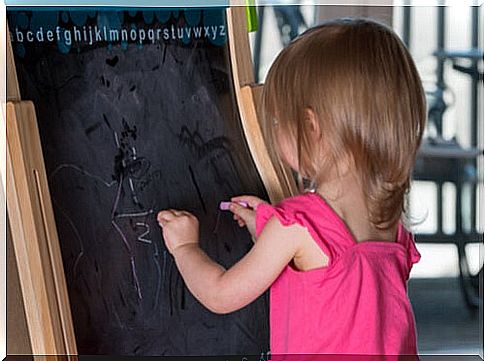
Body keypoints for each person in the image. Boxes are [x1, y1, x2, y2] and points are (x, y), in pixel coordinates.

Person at [158, 18, 425, 357]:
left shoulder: (298, 224)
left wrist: (185, 248)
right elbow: (340, 294)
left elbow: (221, 294)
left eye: (278, 121)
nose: (274, 130)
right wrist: (269, 235)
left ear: (311, 127)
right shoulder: (390, 227)